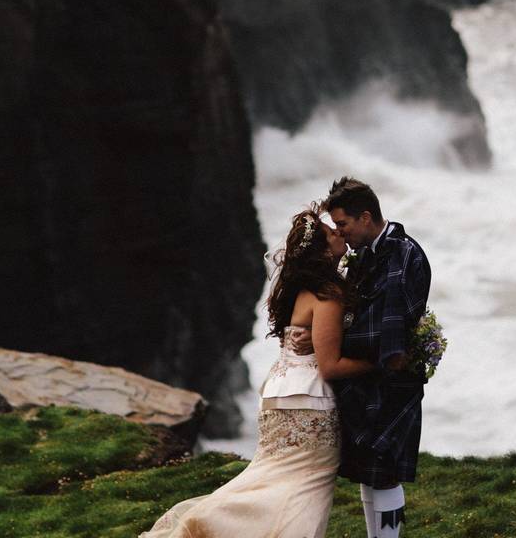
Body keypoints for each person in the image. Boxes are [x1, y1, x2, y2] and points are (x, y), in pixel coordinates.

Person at [139, 206, 374, 538]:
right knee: (306, 492)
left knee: (268, 478)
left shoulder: (299, 290)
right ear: (320, 250)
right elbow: (330, 365)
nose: (338, 233)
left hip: (279, 393)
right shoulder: (328, 293)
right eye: (330, 233)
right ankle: (211, 523)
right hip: (310, 399)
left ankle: (212, 521)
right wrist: (384, 361)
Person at [319, 176, 432, 538]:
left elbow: (386, 325)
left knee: (384, 472)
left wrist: (337, 348)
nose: (341, 232)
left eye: (343, 224)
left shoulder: (405, 254)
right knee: (370, 472)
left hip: (392, 380)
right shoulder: (364, 256)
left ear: (365, 217)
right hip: (370, 379)